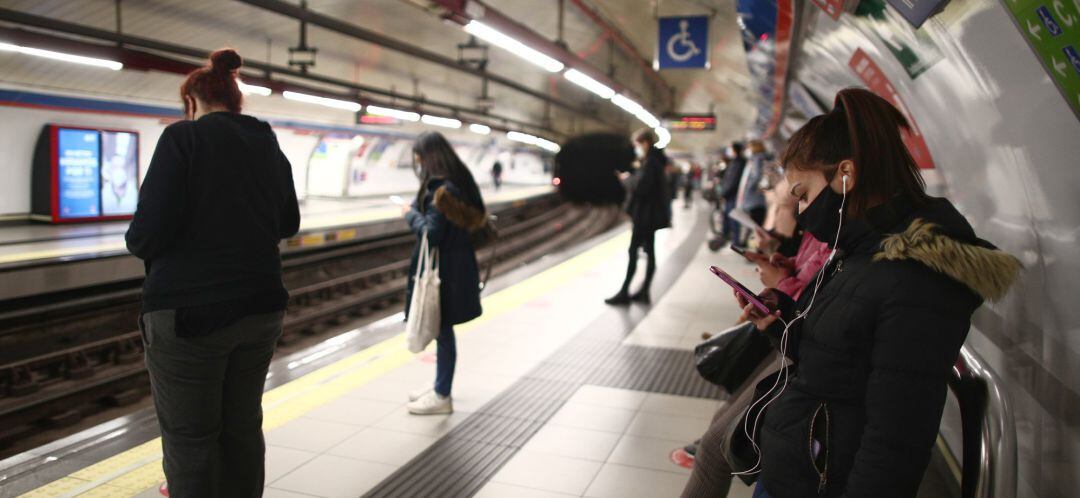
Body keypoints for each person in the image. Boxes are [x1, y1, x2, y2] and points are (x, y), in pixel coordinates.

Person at [733, 88, 1020, 498]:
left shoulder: (913, 280)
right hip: (800, 462)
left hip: (823, 476)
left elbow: (897, 437)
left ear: (845, 175)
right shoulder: (860, 251)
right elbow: (836, 354)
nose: (801, 212)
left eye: (804, 194)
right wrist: (779, 319)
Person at [125, 48, 300, 498]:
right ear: (236, 101)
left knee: (191, 438)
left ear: (192, 102)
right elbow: (289, 224)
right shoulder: (267, 143)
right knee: (242, 428)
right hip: (261, 308)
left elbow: (144, 237)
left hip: (189, 314)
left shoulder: (182, 139)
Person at [403, 131, 487, 415]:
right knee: (442, 329)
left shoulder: (445, 191)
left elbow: (431, 232)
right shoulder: (455, 184)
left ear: (430, 157)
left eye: (420, 158)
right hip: (455, 266)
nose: (419, 163)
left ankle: (442, 396)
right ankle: (440, 384)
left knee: (442, 329)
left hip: (446, 270)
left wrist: (409, 213)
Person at [606, 128, 671, 306]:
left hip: (645, 216)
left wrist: (626, 179)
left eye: (637, 145)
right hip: (648, 215)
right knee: (649, 251)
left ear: (645, 143)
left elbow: (641, 188)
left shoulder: (650, 163)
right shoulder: (653, 161)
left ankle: (625, 292)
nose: (636, 149)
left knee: (634, 251)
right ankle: (642, 291)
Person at [732, 139, 768, 248]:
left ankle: (753, 246)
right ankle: (749, 245)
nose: (748, 149)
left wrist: (749, 187)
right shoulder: (755, 159)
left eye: (750, 146)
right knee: (754, 224)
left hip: (755, 198)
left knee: (755, 224)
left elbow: (756, 175)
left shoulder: (757, 158)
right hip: (754, 198)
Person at [717, 141, 746, 247]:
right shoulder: (735, 162)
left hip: (733, 195)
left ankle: (736, 241)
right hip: (730, 194)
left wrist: (724, 194)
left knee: (734, 217)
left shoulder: (738, 163)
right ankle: (731, 238)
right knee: (730, 217)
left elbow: (733, 181)